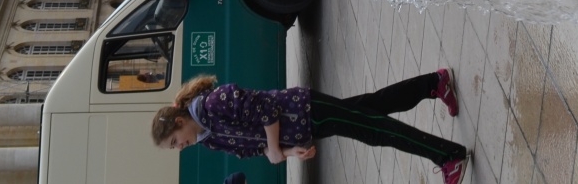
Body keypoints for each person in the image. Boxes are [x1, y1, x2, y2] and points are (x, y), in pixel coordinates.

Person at [152, 72, 467, 184]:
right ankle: (435, 83)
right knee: (373, 107)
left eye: (175, 142)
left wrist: (275, 148)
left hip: (304, 110)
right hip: (302, 129)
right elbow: (252, 148)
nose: (180, 148)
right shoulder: (208, 139)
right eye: (174, 148)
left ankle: (448, 156)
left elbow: (266, 107)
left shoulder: (213, 103)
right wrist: (289, 151)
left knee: (374, 129)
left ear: (179, 122)